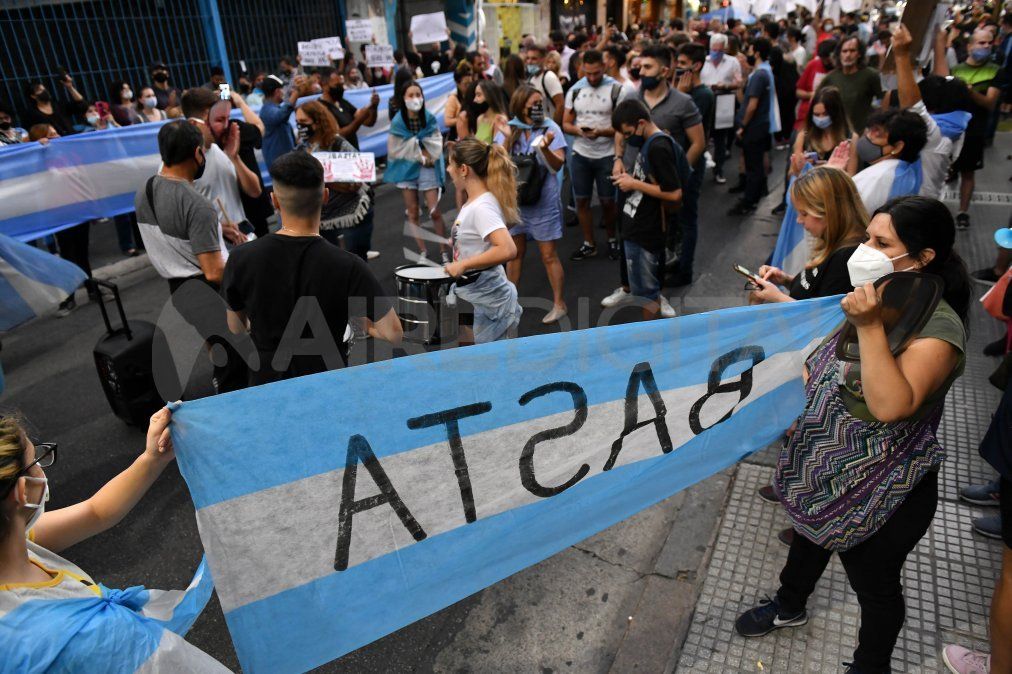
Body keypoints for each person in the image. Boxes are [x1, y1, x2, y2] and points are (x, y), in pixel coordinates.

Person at [736, 195, 971, 674]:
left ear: (923, 258)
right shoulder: (882, 289)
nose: (864, 250)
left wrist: (865, 326)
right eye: (867, 237)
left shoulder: (939, 329)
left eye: (881, 243)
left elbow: (890, 405)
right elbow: (827, 347)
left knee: (875, 585)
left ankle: (871, 665)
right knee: (807, 536)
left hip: (883, 488)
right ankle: (789, 604)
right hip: (826, 466)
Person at [0, 408, 228, 671]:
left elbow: (95, 512)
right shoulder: (88, 638)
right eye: (36, 459)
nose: (42, 467)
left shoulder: (18, 543)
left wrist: (152, 458)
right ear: (22, 491)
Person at [222, 151, 401, 385]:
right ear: (325, 196)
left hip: (266, 383)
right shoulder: (350, 266)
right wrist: (364, 324)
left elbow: (236, 327)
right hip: (327, 382)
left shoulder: (240, 258)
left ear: (274, 200)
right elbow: (394, 334)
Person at [135, 121, 247, 394]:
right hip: (208, 292)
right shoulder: (198, 205)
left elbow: (170, 229)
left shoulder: (146, 190)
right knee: (237, 361)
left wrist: (217, 231)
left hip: (179, 291)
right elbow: (214, 272)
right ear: (198, 153)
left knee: (218, 349)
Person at [496, 85, 568, 324]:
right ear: (520, 106)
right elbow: (497, 164)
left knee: (548, 255)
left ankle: (559, 304)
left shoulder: (551, 128)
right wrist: (506, 138)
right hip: (516, 202)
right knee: (513, 254)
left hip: (543, 200)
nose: (538, 108)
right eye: (533, 104)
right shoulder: (511, 128)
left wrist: (545, 148)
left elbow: (558, 165)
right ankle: (509, 304)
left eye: (540, 103)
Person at [442, 137, 521, 344]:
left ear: (464, 169)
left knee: (491, 367)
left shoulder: (481, 206)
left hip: (489, 299)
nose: (448, 169)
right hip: (476, 296)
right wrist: (462, 243)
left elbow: (507, 249)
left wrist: (464, 263)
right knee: (471, 360)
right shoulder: (476, 202)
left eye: (451, 164)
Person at [609, 99, 683, 321]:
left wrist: (634, 184)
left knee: (647, 292)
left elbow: (675, 193)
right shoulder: (648, 142)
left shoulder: (658, 147)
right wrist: (631, 179)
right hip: (636, 224)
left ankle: (650, 340)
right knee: (642, 290)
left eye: (629, 133)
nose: (627, 139)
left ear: (641, 123)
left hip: (647, 231)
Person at [752, 167, 868, 305]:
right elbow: (815, 288)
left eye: (804, 213)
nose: (799, 220)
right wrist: (786, 280)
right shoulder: (835, 240)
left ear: (829, 211)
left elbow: (823, 317)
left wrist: (777, 297)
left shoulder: (847, 258)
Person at [891, 24, 972, 202]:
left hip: (916, 207)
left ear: (932, 105)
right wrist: (938, 44)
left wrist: (901, 55)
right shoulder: (954, 123)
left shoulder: (937, 135)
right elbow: (943, 83)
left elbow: (912, 107)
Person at [564, 49, 627, 261]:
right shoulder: (575, 90)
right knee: (581, 201)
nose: (591, 78)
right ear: (582, 68)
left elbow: (623, 127)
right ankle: (588, 243)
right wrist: (580, 131)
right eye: (588, 73)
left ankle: (611, 240)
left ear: (605, 67)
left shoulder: (617, 89)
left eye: (596, 73)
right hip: (581, 153)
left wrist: (601, 132)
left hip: (607, 154)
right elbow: (565, 122)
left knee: (608, 202)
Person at [183, 88, 261, 250]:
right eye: (218, 120)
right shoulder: (183, 162)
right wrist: (219, 227)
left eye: (226, 118)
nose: (225, 126)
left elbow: (255, 191)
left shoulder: (221, 149)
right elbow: (182, 217)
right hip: (214, 246)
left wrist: (235, 158)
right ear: (193, 123)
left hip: (243, 237)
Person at [294, 101, 374, 260]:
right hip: (322, 219)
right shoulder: (301, 149)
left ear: (317, 122)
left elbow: (363, 172)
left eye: (303, 122)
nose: (299, 127)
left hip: (352, 214)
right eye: (297, 123)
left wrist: (328, 178)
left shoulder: (336, 143)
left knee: (354, 264)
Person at [948, 28, 1006, 230]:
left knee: (968, 173)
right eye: (981, 43)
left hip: (975, 131)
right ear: (970, 46)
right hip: (954, 131)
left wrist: (970, 92)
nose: (986, 46)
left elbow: (990, 102)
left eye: (989, 43)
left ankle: (962, 212)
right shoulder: (956, 70)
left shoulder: (995, 70)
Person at [385, 81, 447, 263]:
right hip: (406, 169)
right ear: (403, 99)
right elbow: (396, 148)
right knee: (412, 212)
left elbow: (435, 142)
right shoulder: (398, 122)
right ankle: (423, 250)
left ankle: (444, 250)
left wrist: (427, 156)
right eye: (410, 95)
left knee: (435, 211)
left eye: (418, 94)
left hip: (427, 167)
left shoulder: (429, 118)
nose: (415, 99)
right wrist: (418, 154)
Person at [672, 42, 713, 287]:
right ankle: (678, 259)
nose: (678, 67)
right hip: (678, 163)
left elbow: (690, 133)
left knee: (688, 219)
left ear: (696, 66)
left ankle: (685, 269)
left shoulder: (702, 95)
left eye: (683, 64)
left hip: (690, 166)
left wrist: (682, 94)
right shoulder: (682, 90)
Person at [207, 91, 272, 240]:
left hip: (240, 214)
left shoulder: (234, 128)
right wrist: (240, 102)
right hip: (236, 217)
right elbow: (259, 127)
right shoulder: (235, 128)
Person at [729, 38, 776, 217]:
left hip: (754, 128)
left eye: (749, 49)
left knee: (753, 166)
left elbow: (752, 104)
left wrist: (743, 126)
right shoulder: (762, 72)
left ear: (756, 52)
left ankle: (750, 200)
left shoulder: (759, 75)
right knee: (754, 165)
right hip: (759, 126)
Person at [849, 108, 929, 215]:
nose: (868, 137)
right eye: (870, 130)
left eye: (878, 135)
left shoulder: (879, 178)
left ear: (897, 147)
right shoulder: (909, 171)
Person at [701, 33, 744, 184]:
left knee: (720, 138)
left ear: (724, 49)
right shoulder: (703, 61)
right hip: (706, 101)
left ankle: (718, 169)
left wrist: (725, 85)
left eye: (719, 50)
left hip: (724, 100)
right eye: (714, 49)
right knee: (703, 135)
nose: (716, 52)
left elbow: (739, 83)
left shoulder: (732, 62)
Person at [789, 87, 858, 179]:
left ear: (836, 113)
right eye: (816, 115)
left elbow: (851, 177)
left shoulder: (850, 138)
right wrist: (801, 168)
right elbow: (791, 175)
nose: (821, 118)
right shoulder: (804, 136)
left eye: (825, 114)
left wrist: (828, 168)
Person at [817, 36, 882, 134]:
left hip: (861, 133)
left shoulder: (870, 75)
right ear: (839, 54)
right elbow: (817, 102)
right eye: (844, 51)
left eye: (852, 51)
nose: (848, 55)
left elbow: (883, 100)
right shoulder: (831, 77)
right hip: (836, 133)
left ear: (859, 54)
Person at [318, 68, 380, 151]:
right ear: (324, 85)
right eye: (337, 85)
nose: (341, 88)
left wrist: (373, 107)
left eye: (342, 85)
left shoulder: (342, 102)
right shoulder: (320, 108)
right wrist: (360, 119)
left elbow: (369, 122)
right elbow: (337, 135)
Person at [795, 39, 837, 137]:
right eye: (823, 59)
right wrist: (811, 94)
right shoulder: (813, 65)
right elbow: (798, 91)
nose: (826, 62)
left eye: (828, 58)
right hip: (806, 118)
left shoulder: (839, 72)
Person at [259, 74, 301, 171]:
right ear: (277, 91)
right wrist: (295, 95)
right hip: (280, 165)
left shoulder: (274, 108)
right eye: (282, 90)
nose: (283, 93)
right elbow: (280, 116)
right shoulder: (267, 110)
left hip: (286, 163)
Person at [21, 76, 88, 137]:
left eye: (44, 89)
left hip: (72, 138)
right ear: (33, 96)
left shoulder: (59, 105)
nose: (44, 91)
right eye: (40, 90)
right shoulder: (31, 114)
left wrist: (70, 87)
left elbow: (82, 105)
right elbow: (30, 133)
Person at [526, 44, 566, 126]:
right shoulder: (531, 78)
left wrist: (554, 127)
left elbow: (560, 105)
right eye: (528, 58)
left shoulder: (549, 77)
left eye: (534, 59)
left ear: (543, 59)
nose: (529, 62)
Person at [459, 80, 509, 144]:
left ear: (490, 97)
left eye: (479, 95)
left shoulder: (500, 119)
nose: (474, 100)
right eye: (475, 95)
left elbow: (499, 149)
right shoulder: (480, 118)